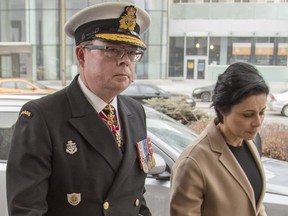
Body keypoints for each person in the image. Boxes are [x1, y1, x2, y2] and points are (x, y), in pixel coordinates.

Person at [6, 2, 155, 216]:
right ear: (81, 55)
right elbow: (26, 210)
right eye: (112, 50)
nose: (125, 61)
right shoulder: (42, 117)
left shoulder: (135, 112)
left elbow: (136, 197)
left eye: (132, 53)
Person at [170, 62, 269, 216]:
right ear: (223, 109)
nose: (258, 122)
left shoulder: (252, 142)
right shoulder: (193, 162)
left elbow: (255, 205)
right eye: (248, 115)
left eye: (262, 112)